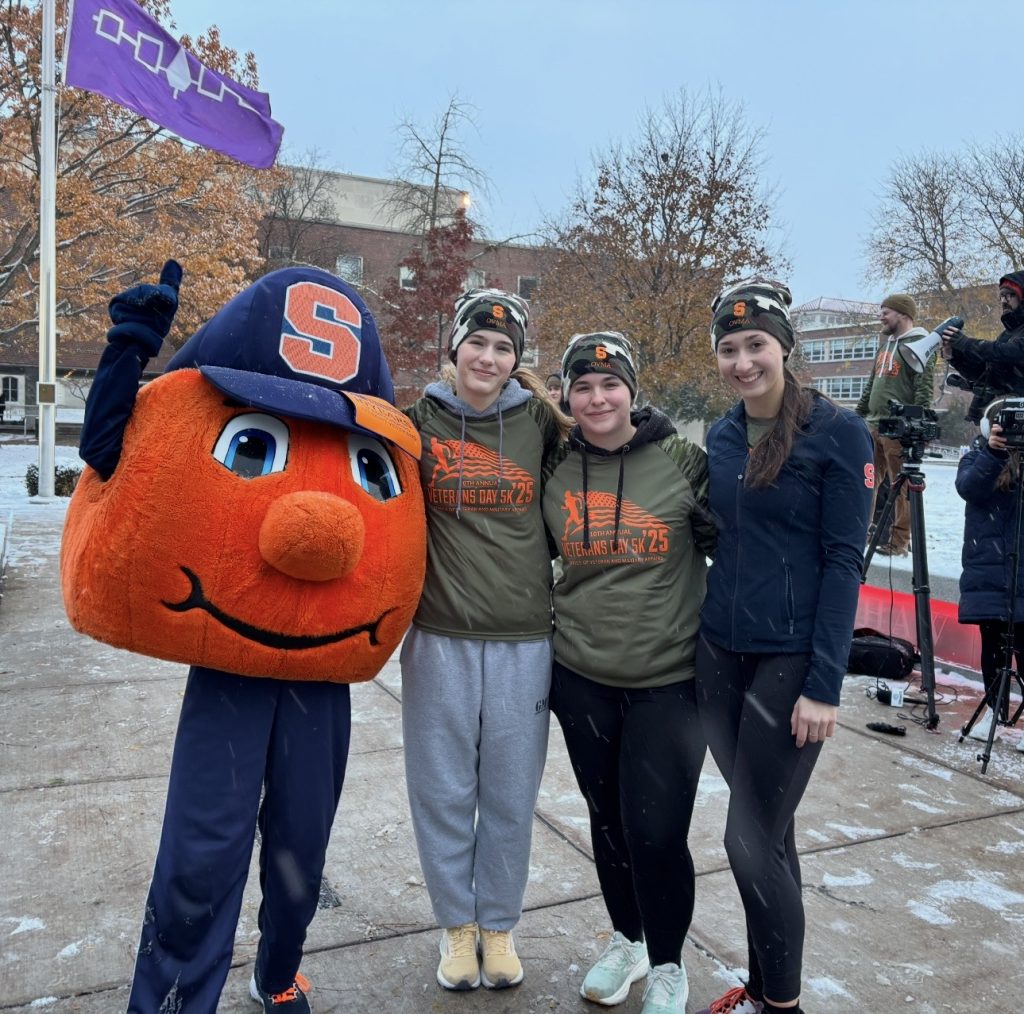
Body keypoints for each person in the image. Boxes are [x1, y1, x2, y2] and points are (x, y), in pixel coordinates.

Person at [69, 263, 428, 1014]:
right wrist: (127, 351)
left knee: (302, 845)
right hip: (230, 674)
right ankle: (172, 995)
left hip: (321, 676)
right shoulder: (206, 404)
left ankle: (278, 970)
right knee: (203, 852)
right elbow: (113, 453)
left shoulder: (376, 435)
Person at [694, 278, 873, 1014]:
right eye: (729, 349)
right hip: (719, 658)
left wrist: (825, 684)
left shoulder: (838, 432)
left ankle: (782, 1006)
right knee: (770, 835)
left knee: (747, 839)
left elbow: (842, 564)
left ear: (785, 349)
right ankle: (769, 985)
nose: (743, 362)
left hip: (790, 661)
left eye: (756, 345)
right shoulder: (723, 433)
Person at [401, 287, 570, 992]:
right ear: (455, 347)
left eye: (504, 348)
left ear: (516, 361)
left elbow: (611, 442)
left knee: (507, 793)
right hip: (437, 634)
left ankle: (498, 926)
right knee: (440, 790)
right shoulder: (414, 423)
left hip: (523, 639)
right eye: (479, 342)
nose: (489, 356)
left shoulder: (541, 423)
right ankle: (456, 927)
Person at [544, 332, 715, 1013]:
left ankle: (669, 963)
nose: (597, 397)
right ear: (567, 396)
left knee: (656, 830)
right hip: (581, 673)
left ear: (632, 392)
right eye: (582, 386)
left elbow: (746, 520)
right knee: (608, 820)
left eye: (610, 385)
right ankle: (628, 940)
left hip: (668, 680)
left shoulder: (685, 463)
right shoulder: (553, 469)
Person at [955, 411, 1024, 752]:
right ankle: (993, 711)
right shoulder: (977, 458)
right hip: (991, 575)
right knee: (993, 651)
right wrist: (994, 453)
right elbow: (968, 488)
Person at [855, 293, 934, 557]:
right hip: (872, 425)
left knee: (901, 488)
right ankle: (862, 531)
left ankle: (899, 541)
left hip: (897, 428)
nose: (881, 316)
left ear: (902, 314)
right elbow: (871, 383)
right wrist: (859, 414)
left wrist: (918, 422)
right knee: (864, 481)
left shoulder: (921, 343)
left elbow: (924, 387)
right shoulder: (884, 345)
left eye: (885, 311)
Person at [942, 271, 1024, 424]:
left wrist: (967, 343)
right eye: (1001, 296)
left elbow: (1012, 352)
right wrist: (955, 356)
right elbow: (986, 375)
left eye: (1009, 295)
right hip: (1004, 418)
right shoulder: (1007, 335)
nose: (1003, 301)